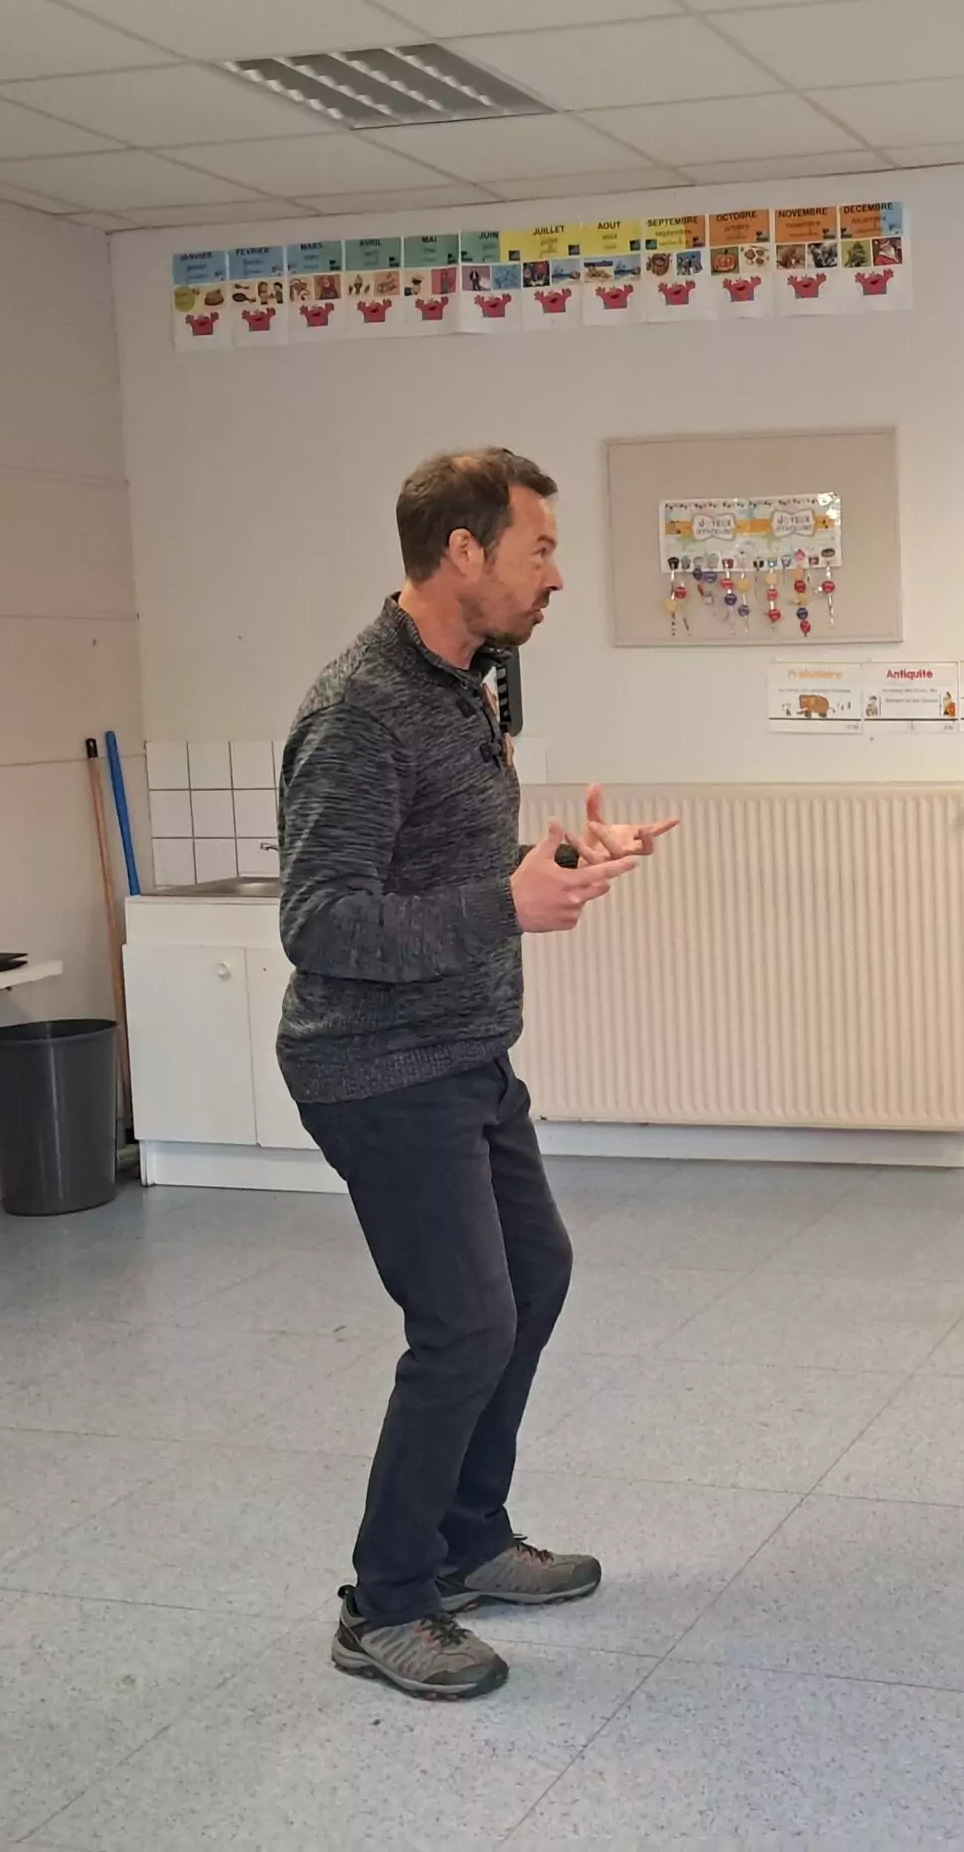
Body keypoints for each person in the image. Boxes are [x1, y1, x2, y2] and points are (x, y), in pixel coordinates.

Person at [280, 449, 675, 1701]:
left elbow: (446, 867)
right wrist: (505, 904)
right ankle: (386, 1602)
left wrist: (555, 863)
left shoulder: (468, 682)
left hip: (464, 1050)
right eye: (539, 549)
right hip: (376, 1065)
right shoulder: (359, 710)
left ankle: (466, 1540)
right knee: (463, 1328)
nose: (555, 576)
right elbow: (320, 922)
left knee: (532, 1280)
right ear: (463, 550)